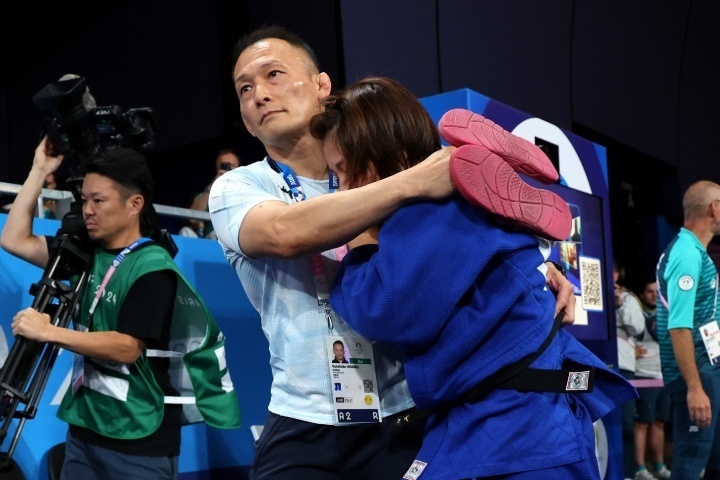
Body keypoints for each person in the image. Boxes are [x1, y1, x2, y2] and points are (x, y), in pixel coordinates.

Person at [210, 25, 576, 480]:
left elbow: (456, 238)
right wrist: (412, 181)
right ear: (244, 118)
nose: (260, 94)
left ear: (322, 86)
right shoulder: (239, 187)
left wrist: (539, 271)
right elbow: (285, 232)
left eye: (274, 75)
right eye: (245, 89)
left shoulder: (377, 158)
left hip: (407, 414)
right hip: (304, 421)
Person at [312, 75, 636, 479]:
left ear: (394, 162)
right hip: (516, 421)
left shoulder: (425, 216)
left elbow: (385, 309)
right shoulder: (470, 208)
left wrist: (356, 240)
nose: (340, 188)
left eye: (343, 171)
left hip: (514, 432)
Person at [1, 136, 241, 479]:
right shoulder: (86, 254)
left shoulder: (152, 267)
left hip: (139, 435)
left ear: (134, 204)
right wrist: (40, 169)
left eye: (99, 200)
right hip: (85, 428)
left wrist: (49, 332)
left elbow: (126, 347)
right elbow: (14, 239)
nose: (88, 210)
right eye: (85, 199)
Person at [656, 180, 720, 480]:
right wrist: (695, 388)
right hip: (696, 377)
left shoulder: (694, 251)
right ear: (714, 208)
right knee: (690, 465)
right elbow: (679, 326)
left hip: (707, 371)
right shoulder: (686, 254)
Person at [632, 278, 671, 479]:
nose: (654, 295)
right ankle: (639, 468)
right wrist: (632, 351)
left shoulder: (668, 314)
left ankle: (659, 466)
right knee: (643, 423)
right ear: (642, 294)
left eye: (657, 291)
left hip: (664, 375)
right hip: (644, 376)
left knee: (659, 422)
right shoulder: (635, 315)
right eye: (649, 291)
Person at [613, 260, 647, 479]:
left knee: (626, 424)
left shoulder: (628, 298)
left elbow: (638, 327)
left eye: (612, 271)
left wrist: (619, 306)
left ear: (617, 274)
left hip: (624, 367)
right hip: (598, 363)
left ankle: (628, 472)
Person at [190, 148, 240, 239]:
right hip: (213, 241)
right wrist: (212, 186)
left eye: (230, 166)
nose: (227, 168)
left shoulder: (245, 192)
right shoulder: (207, 193)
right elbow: (193, 219)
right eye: (223, 165)